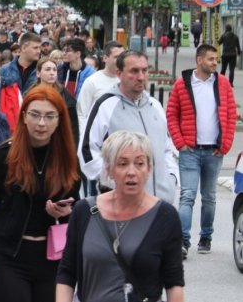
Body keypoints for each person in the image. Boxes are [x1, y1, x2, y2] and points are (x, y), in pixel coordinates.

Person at [0, 85, 80, 302]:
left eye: (49, 116)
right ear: (24, 116)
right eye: (35, 115)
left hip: (53, 256)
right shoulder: (2, 157)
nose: (41, 123)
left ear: (59, 119)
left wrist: (64, 212)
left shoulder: (68, 160)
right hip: (9, 255)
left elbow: (76, 207)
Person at [56, 131, 184, 302]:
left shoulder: (165, 216)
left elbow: (174, 281)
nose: (131, 172)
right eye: (122, 164)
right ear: (109, 170)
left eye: (139, 163)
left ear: (149, 168)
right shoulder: (84, 211)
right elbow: (67, 272)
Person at [79, 50, 179, 203]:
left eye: (144, 70)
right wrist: (113, 180)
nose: (141, 77)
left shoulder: (155, 106)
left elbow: (166, 148)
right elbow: (87, 151)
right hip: (123, 203)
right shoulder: (105, 106)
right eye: (134, 71)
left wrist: (172, 178)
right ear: (119, 73)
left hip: (161, 202)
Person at [166, 44, 236, 258]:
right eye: (211, 59)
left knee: (209, 197)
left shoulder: (223, 83)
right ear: (199, 60)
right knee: (187, 196)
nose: (215, 63)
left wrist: (225, 145)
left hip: (214, 151)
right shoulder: (182, 84)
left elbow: (231, 115)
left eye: (216, 59)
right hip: (190, 150)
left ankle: (206, 236)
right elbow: (171, 114)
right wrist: (180, 143)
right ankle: (183, 241)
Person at [76, 41, 124, 135]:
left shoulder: (126, 80)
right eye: (117, 57)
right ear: (105, 58)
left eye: (123, 57)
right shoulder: (92, 81)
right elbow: (81, 113)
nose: (121, 60)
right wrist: (85, 137)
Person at [34, 57, 78, 143]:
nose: (52, 73)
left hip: (59, 141)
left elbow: (73, 127)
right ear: (38, 73)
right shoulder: (30, 94)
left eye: (54, 70)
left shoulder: (65, 95)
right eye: (47, 69)